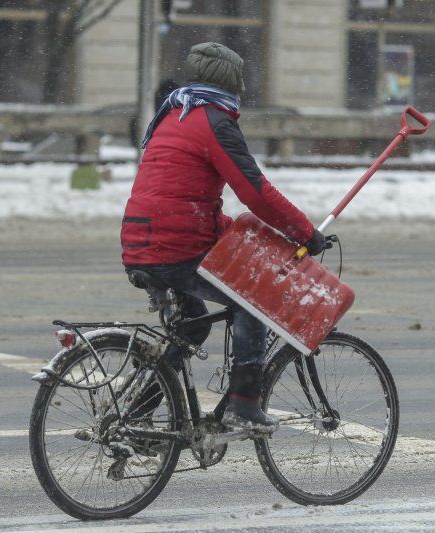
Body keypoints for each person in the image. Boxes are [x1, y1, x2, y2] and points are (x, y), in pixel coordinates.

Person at [120, 42, 325, 434]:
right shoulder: (215, 121)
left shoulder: (174, 115)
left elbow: (180, 194)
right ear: (231, 84)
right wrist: (304, 232)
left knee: (193, 325)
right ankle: (244, 406)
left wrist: (230, 228)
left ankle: (136, 413)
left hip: (140, 240)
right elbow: (255, 191)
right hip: (173, 246)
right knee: (254, 300)